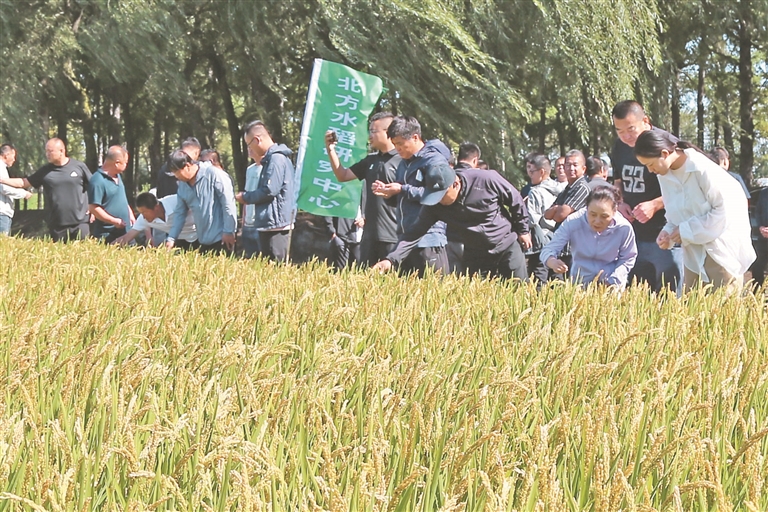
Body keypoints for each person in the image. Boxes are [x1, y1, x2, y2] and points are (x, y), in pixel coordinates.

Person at [633, 130, 755, 292]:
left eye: (650, 164)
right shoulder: (664, 174)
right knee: (692, 305)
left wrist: (685, 230)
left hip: (720, 254)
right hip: (692, 257)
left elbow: (725, 212)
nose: (650, 170)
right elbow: (676, 213)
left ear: (664, 154)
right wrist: (668, 232)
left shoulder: (701, 168)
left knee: (721, 306)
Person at [372, 163, 531, 280]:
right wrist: (391, 259)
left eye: (442, 194)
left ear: (455, 184)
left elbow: (515, 199)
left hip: (506, 245)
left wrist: (523, 230)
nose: (438, 200)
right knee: (477, 302)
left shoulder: (485, 179)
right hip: (475, 253)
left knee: (518, 295)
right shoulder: (434, 205)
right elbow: (413, 234)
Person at [611, 100, 681, 292]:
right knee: (639, 297)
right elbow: (618, 180)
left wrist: (655, 204)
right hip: (633, 235)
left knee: (668, 295)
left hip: (665, 234)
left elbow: (685, 189)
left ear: (645, 121)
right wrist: (620, 202)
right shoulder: (619, 147)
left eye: (631, 129)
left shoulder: (667, 143)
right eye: (619, 131)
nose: (626, 136)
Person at [370, 115, 450, 276]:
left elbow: (439, 195)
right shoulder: (403, 163)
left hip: (429, 239)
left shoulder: (433, 160)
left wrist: (402, 189)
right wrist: (389, 194)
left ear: (415, 137)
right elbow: (403, 197)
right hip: (404, 240)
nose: (398, 149)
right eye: (395, 144)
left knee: (433, 289)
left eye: (400, 144)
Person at [324, 112, 401, 266]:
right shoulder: (370, 160)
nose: (369, 136)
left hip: (393, 237)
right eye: (369, 131)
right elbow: (342, 175)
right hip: (369, 238)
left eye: (373, 131)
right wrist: (330, 150)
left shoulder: (402, 160)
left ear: (388, 132)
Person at [541, 186, 637, 288]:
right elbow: (548, 249)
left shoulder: (624, 228)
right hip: (580, 282)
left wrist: (614, 279)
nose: (597, 221)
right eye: (593, 214)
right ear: (586, 208)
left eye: (604, 216)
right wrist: (552, 261)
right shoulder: (573, 221)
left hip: (611, 283)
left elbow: (628, 258)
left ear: (614, 211)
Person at [0, 138, 91, 242]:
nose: (47, 154)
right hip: (58, 225)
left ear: (61, 151)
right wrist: (2, 180)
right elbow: (24, 182)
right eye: (46, 151)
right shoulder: (45, 171)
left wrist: (93, 207)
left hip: (80, 222)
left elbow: (93, 186)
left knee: (83, 250)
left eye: (50, 151)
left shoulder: (79, 166)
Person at [235, 120, 295, 262]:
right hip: (271, 223)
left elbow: (269, 190)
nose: (250, 149)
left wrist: (246, 197)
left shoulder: (276, 159)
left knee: (275, 268)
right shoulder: (271, 159)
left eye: (249, 145)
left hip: (276, 225)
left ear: (257, 140)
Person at [165, 149, 237, 255]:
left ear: (187, 166)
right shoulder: (182, 186)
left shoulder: (214, 174)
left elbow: (228, 203)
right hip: (203, 240)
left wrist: (229, 231)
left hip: (222, 237)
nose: (176, 176)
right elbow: (179, 213)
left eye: (177, 172)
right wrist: (171, 238)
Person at [113, 192, 198, 249]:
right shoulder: (143, 219)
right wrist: (108, 248)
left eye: (145, 212)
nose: (143, 216)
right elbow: (126, 238)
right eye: (141, 213)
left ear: (156, 208)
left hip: (200, 236)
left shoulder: (175, 201)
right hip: (182, 241)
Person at [525, 153, 561, 283]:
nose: (530, 175)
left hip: (541, 244)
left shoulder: (535, 192)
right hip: (558, 241)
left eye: (532, 171)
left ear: (541, 172)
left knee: (538, 281)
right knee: (557, 280)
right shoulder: (561, 189)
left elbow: (531, 220)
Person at [88, 146, 135, 243]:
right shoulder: (97, 180)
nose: (126, 165)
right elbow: (94, 208)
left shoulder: (118, 176)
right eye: (125, 162)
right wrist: (114, 221)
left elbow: (121, 198)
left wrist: (130, 213)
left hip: (126, 231)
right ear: (117, 163)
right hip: (108, 234)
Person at [323, 196, 364, 270]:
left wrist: (364, 218)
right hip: (341, 237)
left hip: (360, 238)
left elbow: (371, 208)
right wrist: (332, 232)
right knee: (340, 271)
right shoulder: (339, 192)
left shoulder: (365, 191)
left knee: (361, 269)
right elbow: (327, 208)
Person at [0, 144, 32, 235]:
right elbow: (4, 188)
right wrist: (24, 194)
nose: (14, 160)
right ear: (6, 155)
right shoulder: (0, 167)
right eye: (13, 156)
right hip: (2, 212)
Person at [240, 151, 263, 259]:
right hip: (247, 223)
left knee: (265, 259)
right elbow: (246, 195)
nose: (249, 149)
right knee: (250, 258)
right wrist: (243, 220)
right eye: (248, 147)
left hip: (260, 222)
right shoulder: (250, 169)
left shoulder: (268, 168)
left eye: (251, 146)